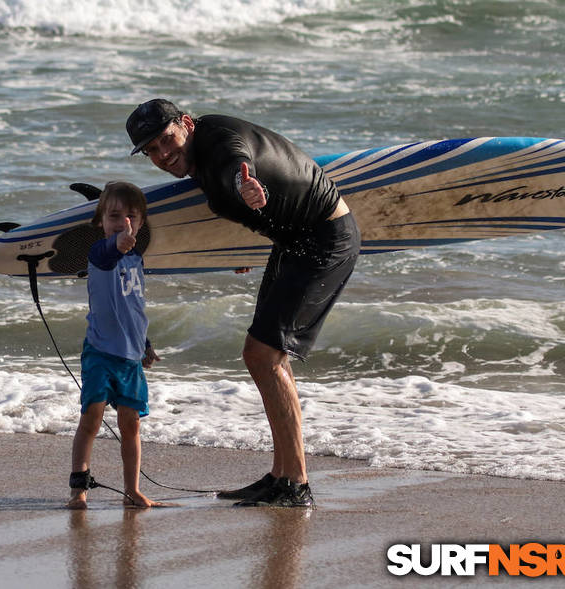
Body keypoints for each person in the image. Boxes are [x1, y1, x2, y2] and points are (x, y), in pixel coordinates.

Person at [125, 99, 359, 507]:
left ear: (185, 123)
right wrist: (234, 250)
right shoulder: (199, 157)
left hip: (324, 238)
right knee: (265, 356)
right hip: (295, 241)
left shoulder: (219, 140)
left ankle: (297, 483)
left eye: (166, 140)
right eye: (152, 151)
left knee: (262, 355)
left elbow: (238, 163)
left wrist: (246, 187)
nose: (163, 155)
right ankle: (281, 475)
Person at [67, 181, 164, 509]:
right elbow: (109, 251)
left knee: (131, 425)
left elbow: (133, 306)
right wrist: (118, 242)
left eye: (132, 217)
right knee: (91, 418)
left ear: (141, 223)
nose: (123, 222)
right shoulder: (99, 254)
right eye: (114, 216)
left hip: (130, 357)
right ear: (100, 222)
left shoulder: (136, 259)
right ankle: (78, 490)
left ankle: (132, 490)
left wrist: (145, 344)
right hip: (100, 352)